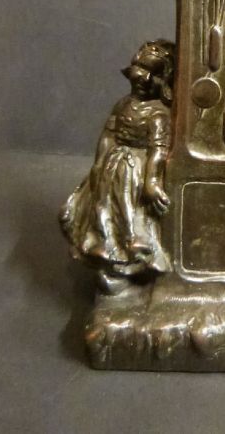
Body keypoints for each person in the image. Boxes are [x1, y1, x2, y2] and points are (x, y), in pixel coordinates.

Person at [59, 40, 175, 277]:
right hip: (111, 164)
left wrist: (152, 181)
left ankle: (133, 251)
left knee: (127, 208)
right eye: (139, 73)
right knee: (100, 205)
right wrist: (99, 162)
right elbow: (108, 135)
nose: (143, 80)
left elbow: (158, 150)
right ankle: (101, 244)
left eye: (152, 75)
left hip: (135, 169)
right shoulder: (123, 105)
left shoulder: (159, 114)